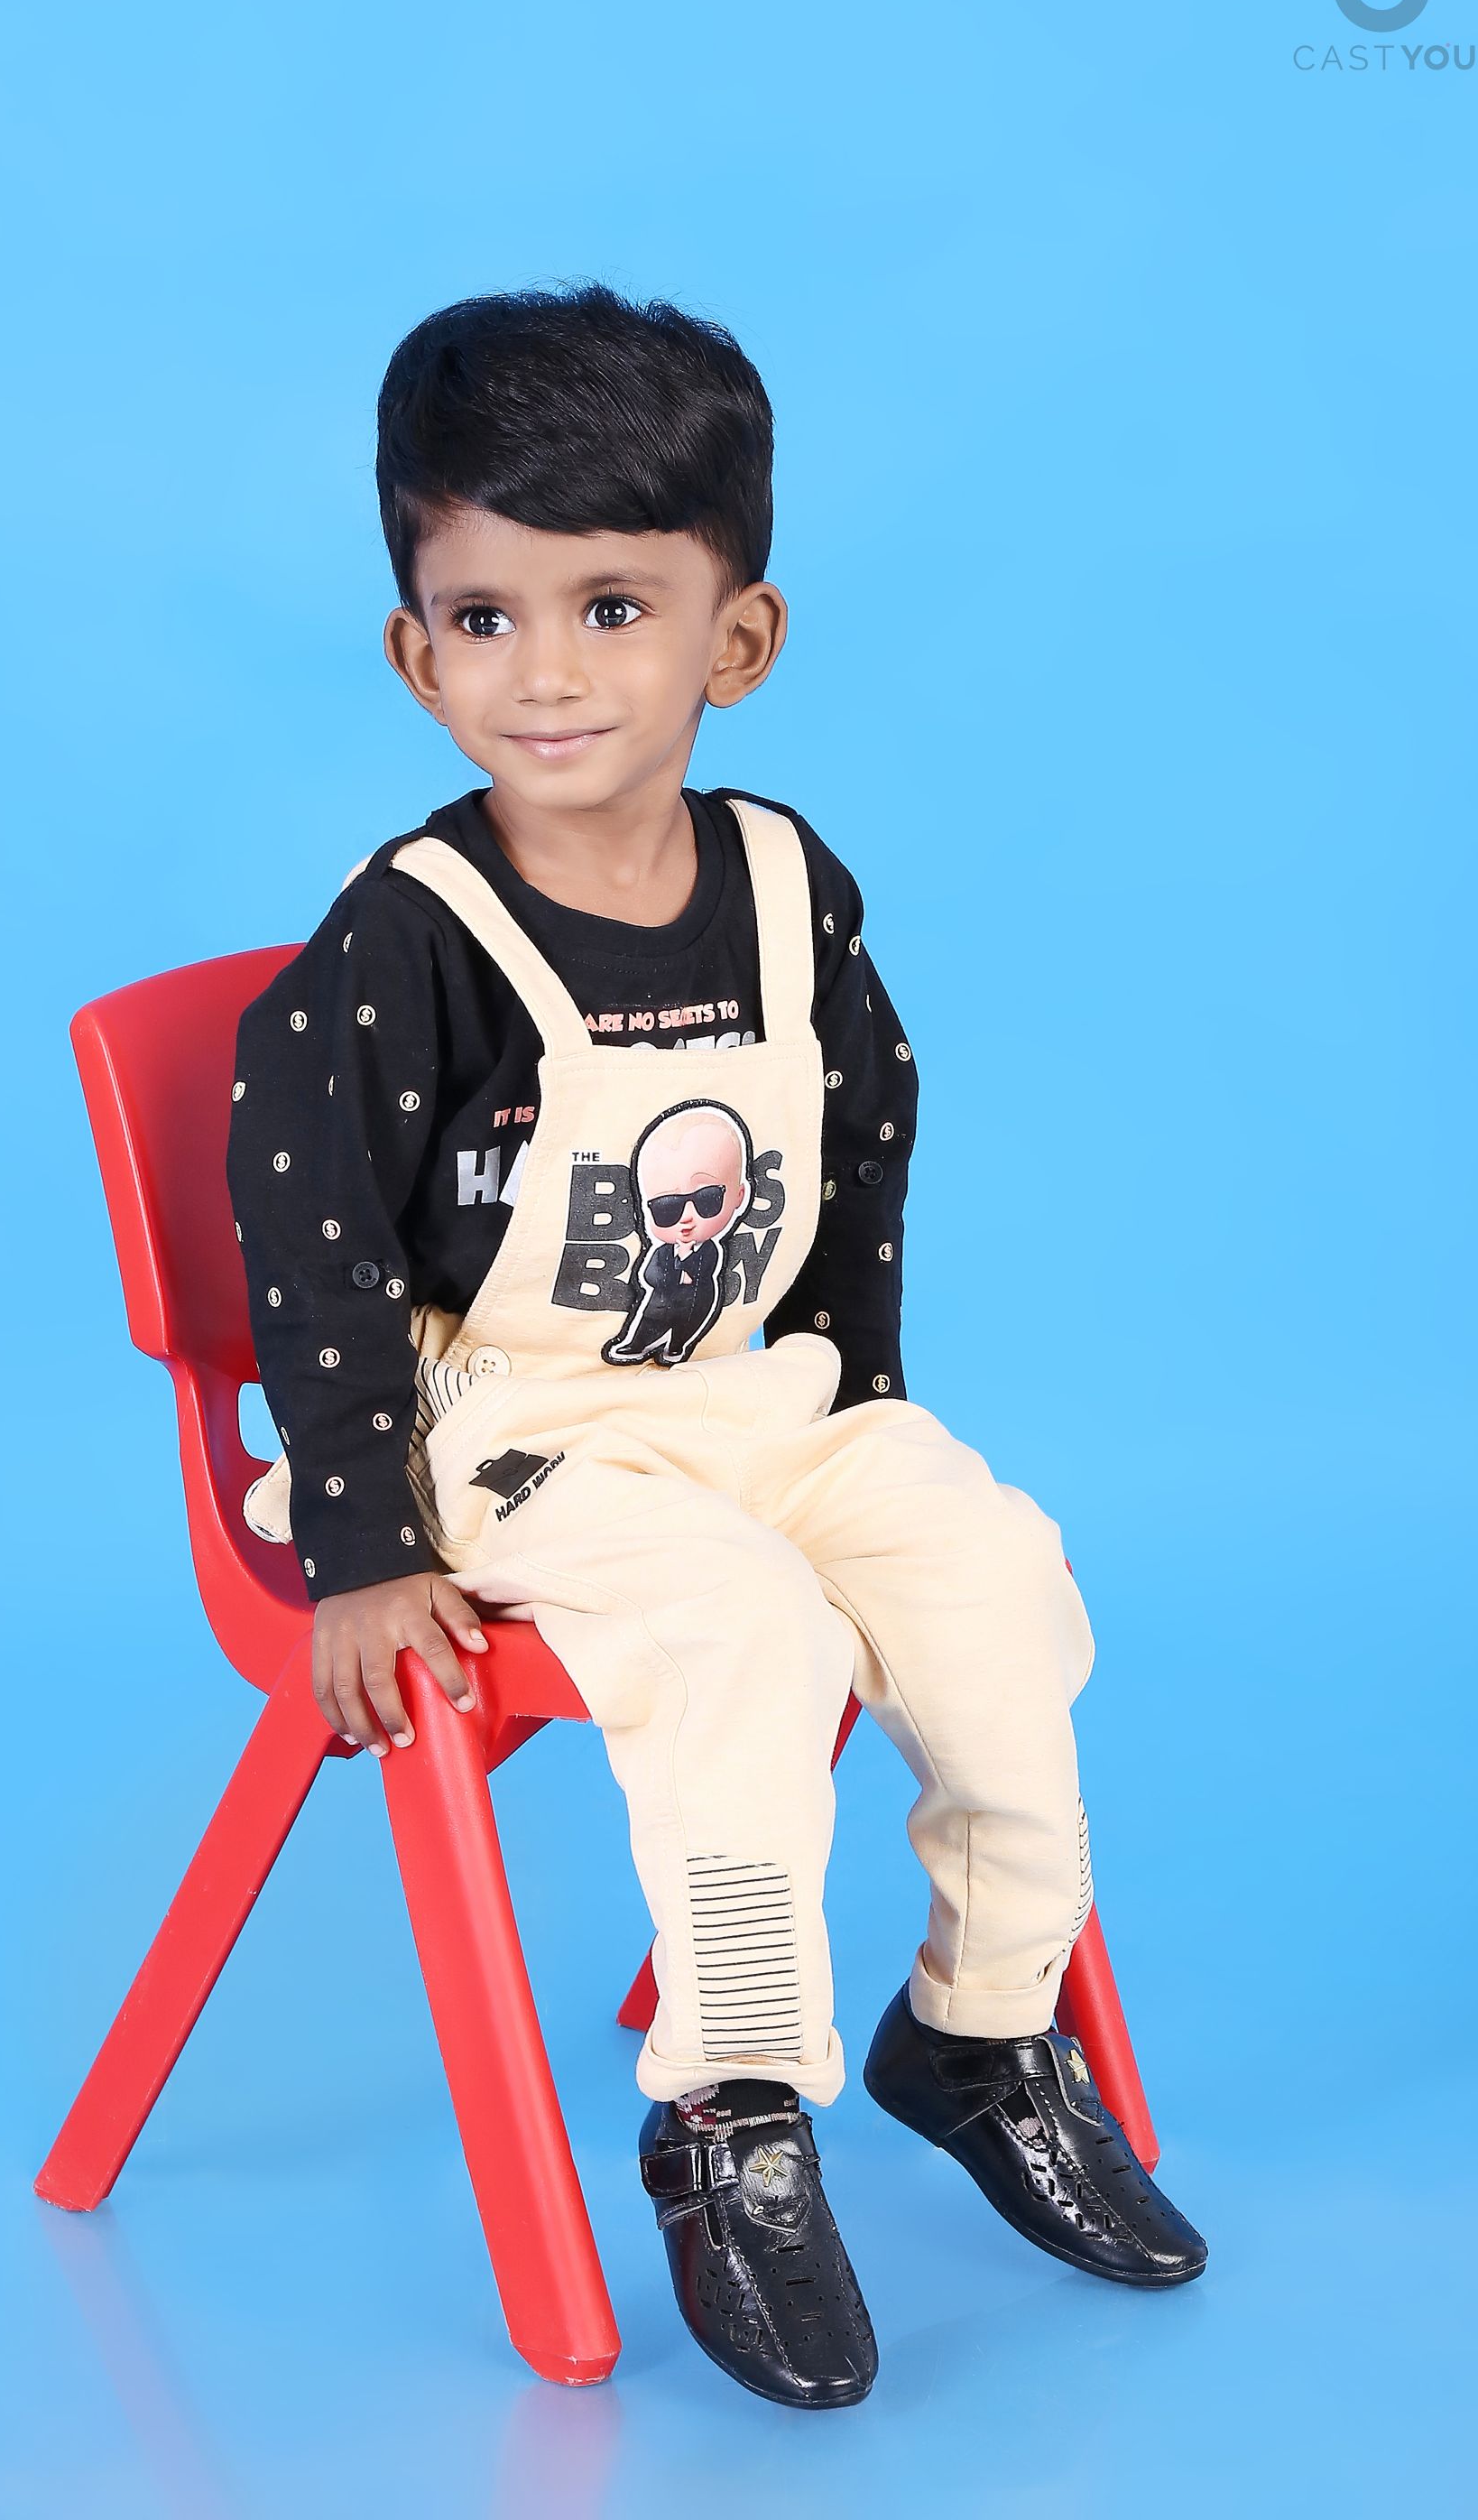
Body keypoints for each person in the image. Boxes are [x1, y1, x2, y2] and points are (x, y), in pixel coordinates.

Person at [227, 283, 1205, 2411]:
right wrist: (362, 1544)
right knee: (752, 1636)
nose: (546, 671)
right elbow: (307, 1242)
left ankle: (980, 2027)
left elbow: (863, 1122)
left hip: (730, 1397)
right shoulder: (407, 941)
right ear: (413, 653)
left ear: (733, 640)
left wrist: (859, 1391)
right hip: (487, 1425)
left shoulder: (780, 882)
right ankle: (732, 2108)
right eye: (482, 618)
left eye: (611, 609)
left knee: (994, 1579)